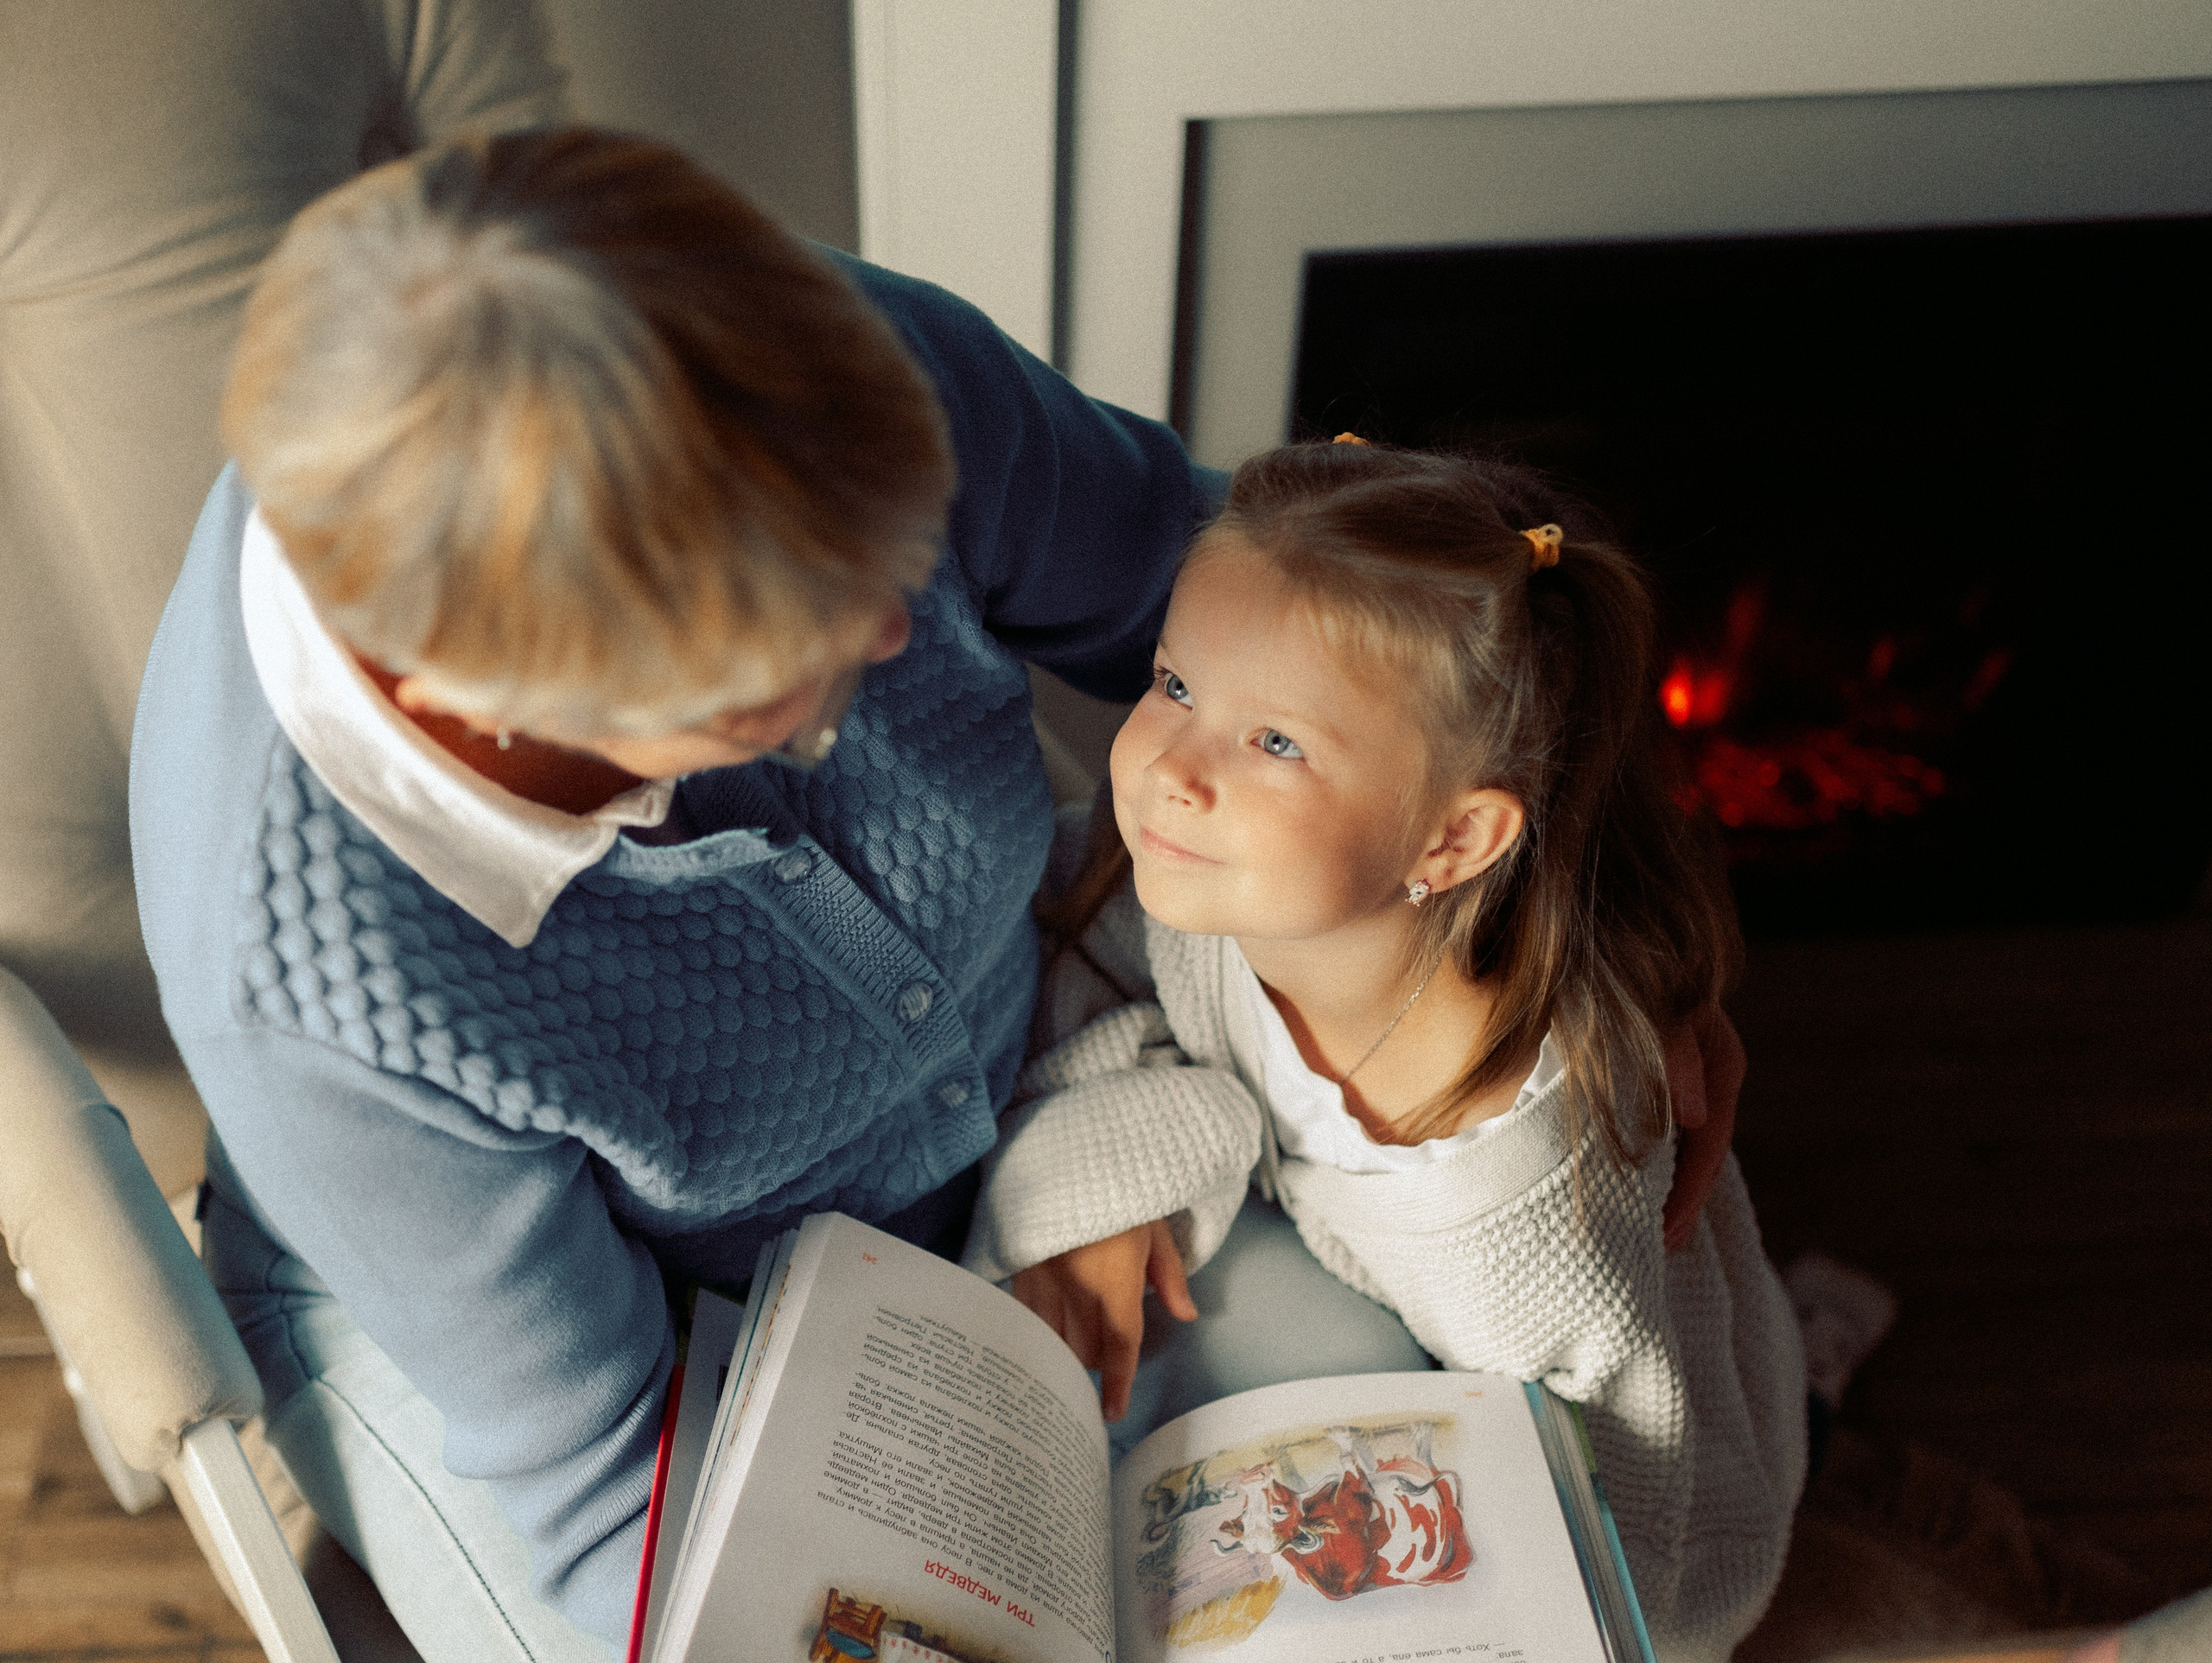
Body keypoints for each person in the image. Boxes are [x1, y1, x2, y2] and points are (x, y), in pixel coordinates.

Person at [130, 126, 1215, 1659]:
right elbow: (606, 1470)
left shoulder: (804, 371)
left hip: (1008, 1093)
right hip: (516, 1330)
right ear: (499, 699)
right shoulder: (306, 973)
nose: (907, 636)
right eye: (798, 682)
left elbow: (1235, 571)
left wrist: (1618, 907)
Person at [963, 439, 1805, 1661]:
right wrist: (1115, 1174)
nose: (1173, 771)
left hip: (1633, 1452)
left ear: (1454, 839)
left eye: (1279, 745)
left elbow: (1639, 1510)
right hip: (1348, 1312)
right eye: (1176, 685)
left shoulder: (1532, 1212)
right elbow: (1090, 963)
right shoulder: (1217, 884)